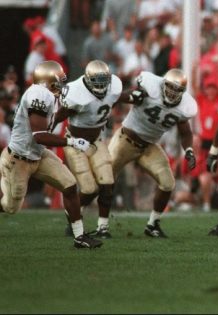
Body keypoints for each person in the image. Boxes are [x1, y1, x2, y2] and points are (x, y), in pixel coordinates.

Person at [0, 61, 101, 249]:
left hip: (38, 155)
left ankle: (80, 237)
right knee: (10, 207)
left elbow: (52, 121)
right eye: (59, 81)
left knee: (69, 186)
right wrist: (71, 141)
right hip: (18, 159)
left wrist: (73, 109)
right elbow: (39, 136)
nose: (62, 85)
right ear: (47, 81)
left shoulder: (50, 96)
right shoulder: (37, 94)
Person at [109, 69, 197, 238]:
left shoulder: (183, 107)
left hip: (149, 145)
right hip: (125, 139)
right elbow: (123, 96)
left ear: (182, 93)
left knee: (167, 183)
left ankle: (153, 225)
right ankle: (89, 221)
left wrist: (190, 151)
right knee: (103, 178)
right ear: (162, 85)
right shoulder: (150, 89)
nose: (171, 93)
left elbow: (186, 133)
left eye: (176, 90)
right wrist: (131, 96)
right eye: (169, 87)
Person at [53, 60, 122, 238]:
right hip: (75, 142)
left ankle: (103, 227)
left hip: (97, 140)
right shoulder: (75, 93)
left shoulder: (114, 86)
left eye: (103, 80)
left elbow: (118, 98)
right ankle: (73, 214)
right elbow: (57, 117)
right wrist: (45, 133)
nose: (100, 85)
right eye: (96, 81)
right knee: (89, 189)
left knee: (107, 183)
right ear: (87, 79)